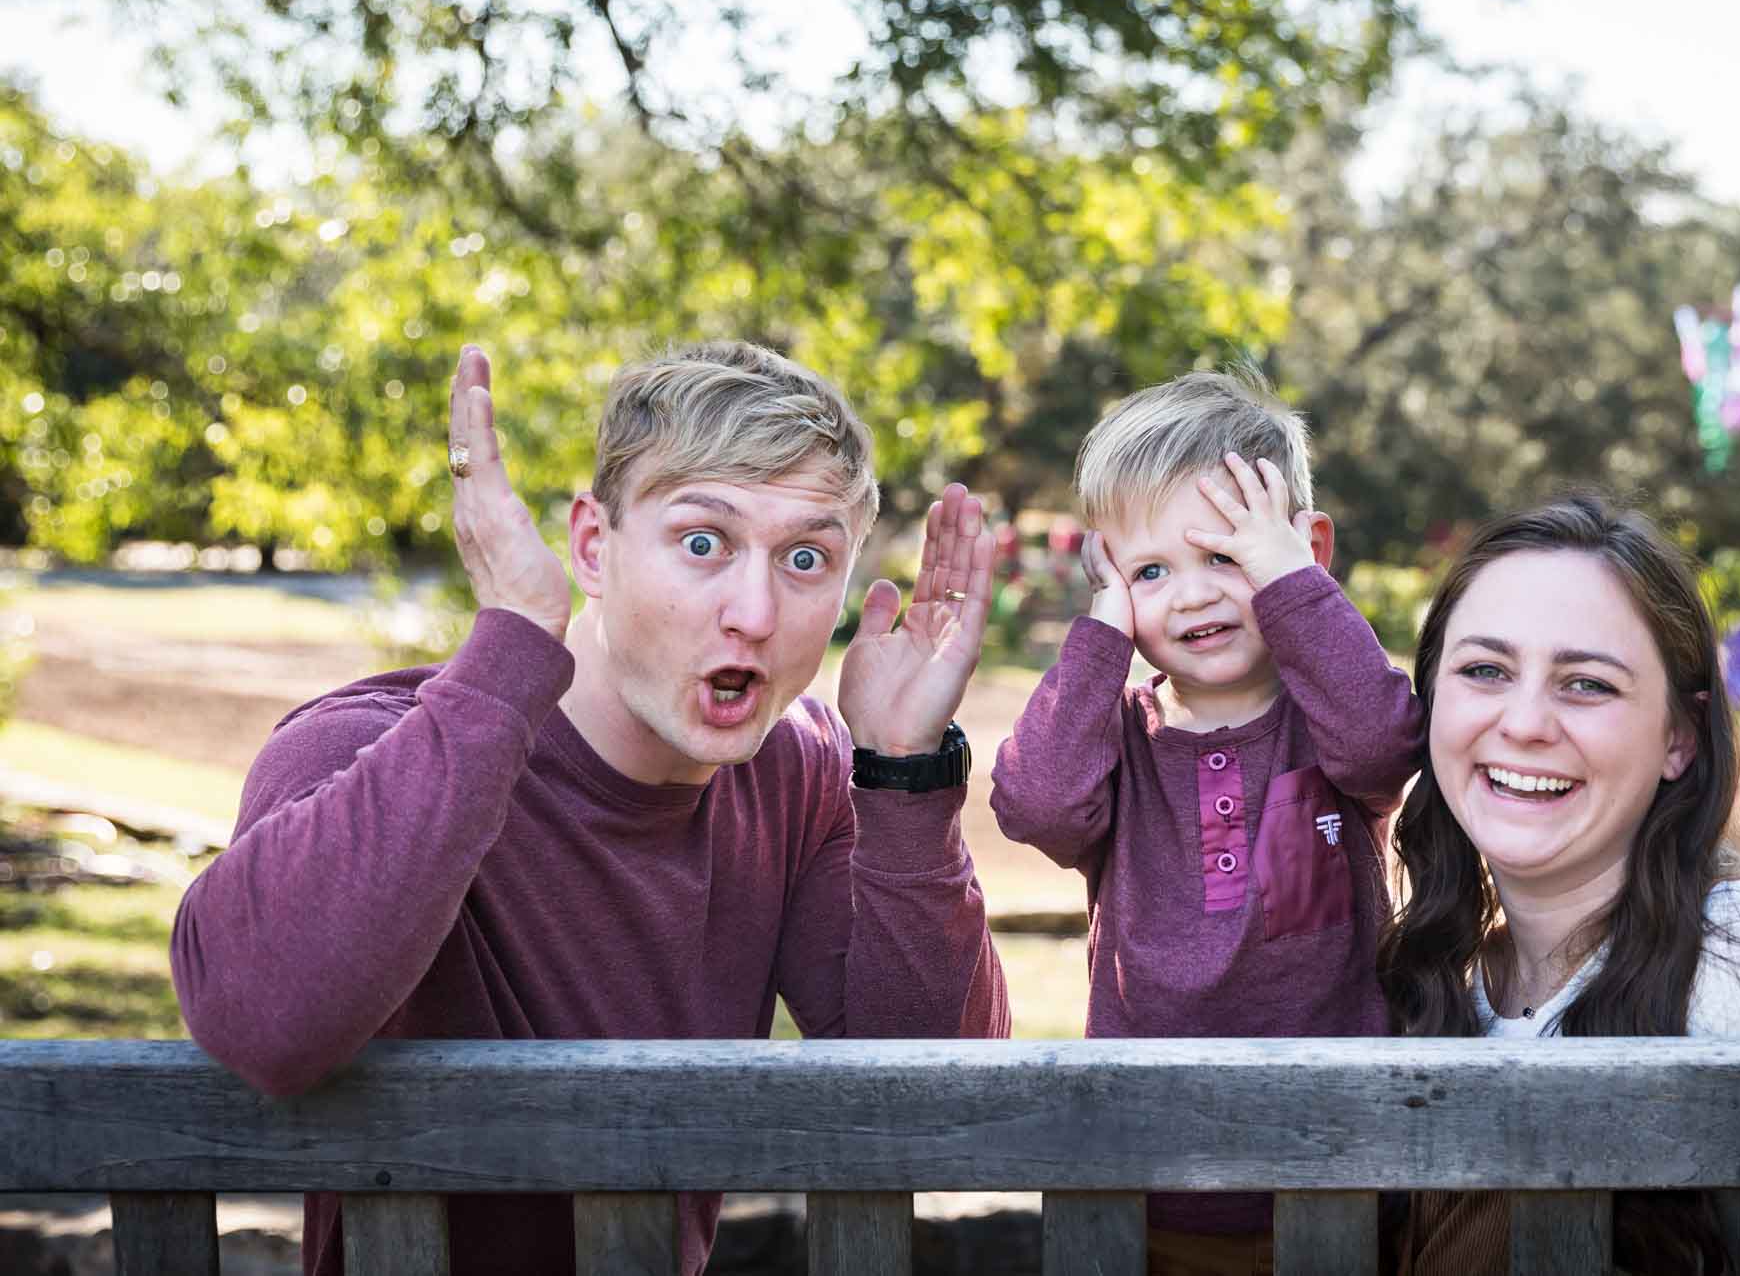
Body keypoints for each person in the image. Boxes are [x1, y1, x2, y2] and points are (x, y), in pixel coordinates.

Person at [171, 342, 1011, 1276]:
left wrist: (903, 775)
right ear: (591, 547)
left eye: (806, 558)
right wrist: (506, 659)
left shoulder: (801, 773)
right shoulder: (362, 751)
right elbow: (259, 1023)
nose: (756, 613)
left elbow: (945, 1110)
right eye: (703, 542)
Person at [1377, 494, 1740, 1275]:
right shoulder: (1438, 983)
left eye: (1587, 684)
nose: (1524, 722)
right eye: (1485, 670)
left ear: (1679, 739)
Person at [989, 368, 1425, 1275]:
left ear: (1306, 549)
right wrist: (1103, 637)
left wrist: (1289, 586)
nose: (1191, 597)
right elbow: (1033, 802)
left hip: (1335, 1181)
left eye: (1225, 555)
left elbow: (1388, 743)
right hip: (1145, 1187)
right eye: (1150, 570)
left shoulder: (1329, 724)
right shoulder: (1118, 743)